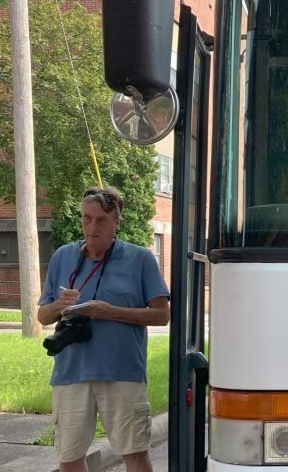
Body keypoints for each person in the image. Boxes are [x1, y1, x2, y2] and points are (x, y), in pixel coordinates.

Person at [37, 187, 170, 472]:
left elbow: (161, 315)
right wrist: (61, 304)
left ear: (116, 222)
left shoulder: (140, 259)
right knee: (69, 458)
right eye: (86, 218)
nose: (92, 226)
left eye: (101, 220)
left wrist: (108, 312)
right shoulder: (63, 257)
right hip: (71, 373)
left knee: (134, 454)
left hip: (121, 372)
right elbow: (42, 316)